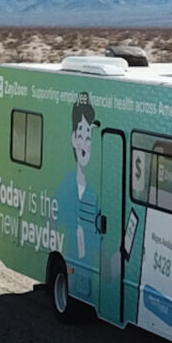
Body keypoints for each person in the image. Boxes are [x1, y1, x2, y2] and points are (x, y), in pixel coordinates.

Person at [56, 92, 101, 263]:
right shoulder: (66, 185)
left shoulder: (93, 191)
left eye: (89, 138)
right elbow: (53, 222)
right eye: (81, 136)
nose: (85, 145)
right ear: (74, 139)